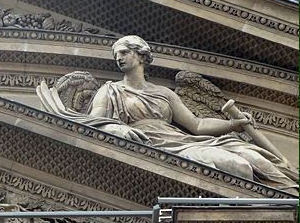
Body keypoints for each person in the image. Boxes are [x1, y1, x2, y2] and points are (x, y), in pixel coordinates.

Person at [86, 35, 297, 191]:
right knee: (239, 167)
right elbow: (93, 125)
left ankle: (291, 196)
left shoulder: (164, 93)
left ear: (140, 55)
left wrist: (234, 124)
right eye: (116, 55)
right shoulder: (110, 90)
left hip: (183, 142)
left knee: (253, 157)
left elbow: (197, 125)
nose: (118, 58)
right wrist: (114, 127)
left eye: (124, 52)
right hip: (157, 148)